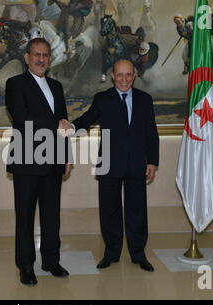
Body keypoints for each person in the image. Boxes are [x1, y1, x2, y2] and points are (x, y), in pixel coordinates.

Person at [60, 59, 159, 272]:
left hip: (136, 164)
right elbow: (88, 119)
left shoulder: (145, 99)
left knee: (137, 210)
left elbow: (151, 133)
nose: (124, 79)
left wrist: (152, 161)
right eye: (120, 75)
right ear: (113, 76)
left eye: (128, 74)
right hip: (109, 164)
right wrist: (71, 127)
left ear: (135, 76)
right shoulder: (102, 99)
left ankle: (138, 254)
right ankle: (111, 253)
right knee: (109, 210)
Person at [5, 38, 72, 286]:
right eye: (36, 54)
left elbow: (64, 123)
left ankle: (51, 261)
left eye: (45, 55)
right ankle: (25, 266)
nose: (41, 59)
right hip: (27, 161)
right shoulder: (15, 84)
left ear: (50, 59)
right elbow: (21, 118)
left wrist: (67, 156)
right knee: (25, 216)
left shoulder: (56, 86)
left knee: (52, 214)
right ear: (26, 57)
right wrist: (55, 124)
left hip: (54, 161)